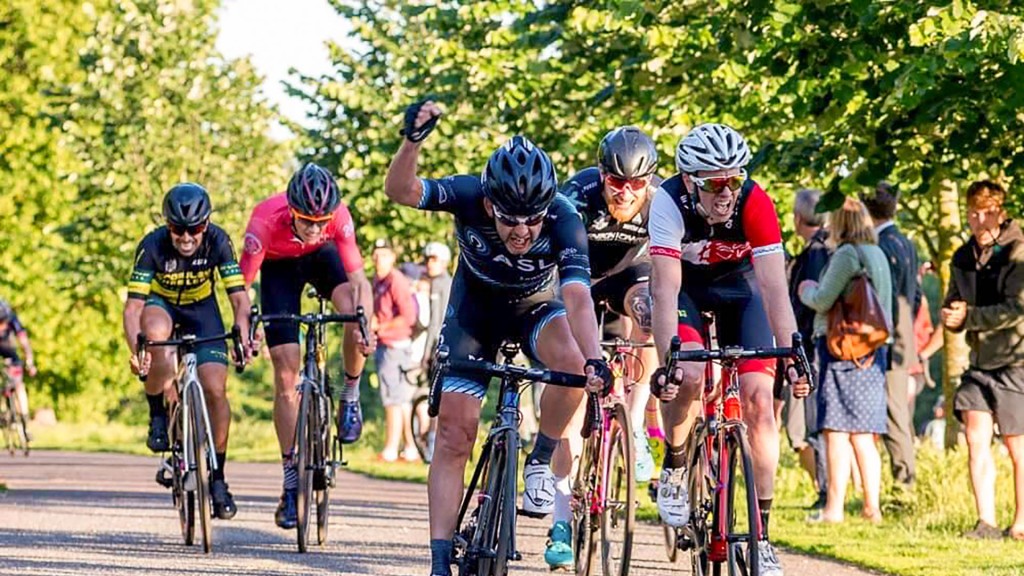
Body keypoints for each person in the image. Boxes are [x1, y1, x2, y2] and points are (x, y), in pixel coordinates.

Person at [383, 100, 611, 576]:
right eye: (510, 219)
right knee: (454, 434)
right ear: (489, 204)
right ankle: (440, 559)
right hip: (476, 314)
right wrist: (413, 141)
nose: (523, 230)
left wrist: (595, 361)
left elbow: (577, 297)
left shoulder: (564, 217)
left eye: (533, 219)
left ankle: (541, 458)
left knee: (571, 362)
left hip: (536, 309)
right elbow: (401, 191)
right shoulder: (467, 194)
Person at [648, 123, 809, 576]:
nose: (726, 193)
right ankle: (677, 466)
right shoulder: (667, 202)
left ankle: (762, 538)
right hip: (687, 293)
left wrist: (793, 351)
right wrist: (668, 362)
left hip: (743, 290)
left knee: (760, 402)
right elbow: (664, 290)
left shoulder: (755, 201)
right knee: (690, 375)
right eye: (714, 184)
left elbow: (777, 292)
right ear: (688, 182)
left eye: (734, 180)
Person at [239, 163, 374, 530]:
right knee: (285, 373)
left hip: (324, 260)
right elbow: (241, 289)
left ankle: (349, 393)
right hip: (279, 270)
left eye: (322, 221)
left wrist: (366, 327)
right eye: (306, 221)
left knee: (352, 312)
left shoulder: (338, 221)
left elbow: (360, 280)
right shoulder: (265, 219)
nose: (315, 229)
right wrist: (245, 329)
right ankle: (290, 478)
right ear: (291, 212)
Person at [122, 183, 252, 520]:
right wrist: (136, 347)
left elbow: (239, 299)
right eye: (177, 229)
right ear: (167, 226)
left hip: (203, 310)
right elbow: (133, 307)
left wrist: (242, 334)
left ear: (206, 224)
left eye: (194, 228)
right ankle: (157, 414)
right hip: (161, 305)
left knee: (215, 389)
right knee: (158, 343)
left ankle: (219, 478)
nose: (186, 237)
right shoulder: (151, 245)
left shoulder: (219, 241)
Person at [561, 125, 661, 483]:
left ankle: (634, 423)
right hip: (580, 278)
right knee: (571, 360)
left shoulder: (659, 200)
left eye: (636, 184)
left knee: (650, 312)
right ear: (602, 175)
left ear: (648, 181)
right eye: (616, 182)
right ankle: (562, 471)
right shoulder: (579, 193)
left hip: (629, 277)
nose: (625, 192)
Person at [798, 197, 892, 524]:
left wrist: (805, 291)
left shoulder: (847, 254)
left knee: (835, 431)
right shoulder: (878, 254)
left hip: (841, 348)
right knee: (864, 435)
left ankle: (833, 509)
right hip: (873, 350)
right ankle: (872, 508)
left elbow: (823, 299)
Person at [942, 180, 1024, 541]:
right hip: (978, 362)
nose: (979, 218)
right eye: (973, 211)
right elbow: (953, 301)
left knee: (1016, 445)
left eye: (987, 211)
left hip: (1014, 359)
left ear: (1000, 211)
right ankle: (985, 521)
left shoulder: (1018, 251)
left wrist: (969, 317)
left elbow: (1018, 308)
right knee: (975, 437)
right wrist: (949, 315)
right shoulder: (961, 256)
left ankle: (1021, 522)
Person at [863, 182, 919, 493]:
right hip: (903, 337)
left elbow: (888, 298)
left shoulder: (883, 246)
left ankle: (904, 485)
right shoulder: (907, 243)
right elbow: (917, 295)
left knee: (893, 414)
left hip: (891, 340)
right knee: (896, 413)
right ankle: (903, 479)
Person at [786, 188, 831, 510]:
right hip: (814, 344)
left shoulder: (817, 252)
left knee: (808, 426)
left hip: (810, 344)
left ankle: (825, 490)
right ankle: (826, 489)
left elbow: (813, 299)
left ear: (798, 218)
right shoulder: (829, 247)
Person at [372, 238, 420, 462]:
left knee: (392, 399)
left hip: (394, 345)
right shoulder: (378, 281)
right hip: (384, 344)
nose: (378, 259)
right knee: (400, 400)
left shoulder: (395, 281)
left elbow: (408, 317)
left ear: (392, 257)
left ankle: (391, 448)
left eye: (383, 255)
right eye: (376, 255)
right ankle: (410, 447)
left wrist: (380, 327)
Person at [0, 300, 37, 430]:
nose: (2, 326)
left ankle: (24, 419)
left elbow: (24, 342)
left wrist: (29, 362)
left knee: (18, 384)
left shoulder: (13, 320)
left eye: (3, 322)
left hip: (9, 350)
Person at [421, 242, 453, 373]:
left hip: (441, 344)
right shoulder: (447, 280)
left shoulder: (440, 283)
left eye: (434, 260)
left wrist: (427, 352)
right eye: (427, 259)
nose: (429, 264)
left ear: (444, 262)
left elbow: (436, 321)